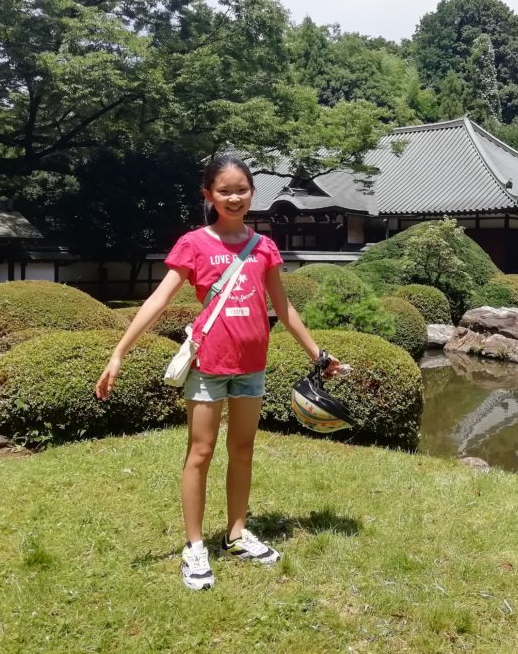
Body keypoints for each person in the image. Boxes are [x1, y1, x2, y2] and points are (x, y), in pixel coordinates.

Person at [94, 154, 339, 591]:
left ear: (253, 193)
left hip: (251, 367)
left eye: (241, 190)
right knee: (201, 452)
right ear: (208, 194)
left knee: (242, 450)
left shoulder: (263, 247)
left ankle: (236, 534)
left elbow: (282, 307)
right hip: (208, 366)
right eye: (224, 191)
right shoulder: (194, 244)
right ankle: (194, 546)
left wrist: (318, 354)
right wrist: (118, 352)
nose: (234, 198)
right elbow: (159, 300)